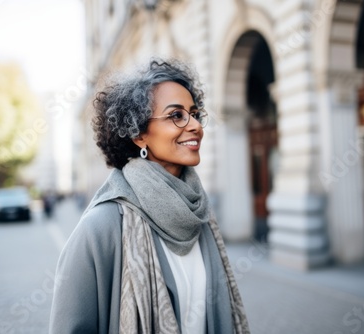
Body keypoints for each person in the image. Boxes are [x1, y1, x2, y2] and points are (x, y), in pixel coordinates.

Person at [49, 59, 250, 334]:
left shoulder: (199, 214)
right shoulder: (101, 227)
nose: (196, 126)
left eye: (194, 114)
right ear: (139, 134)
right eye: (176, 115)